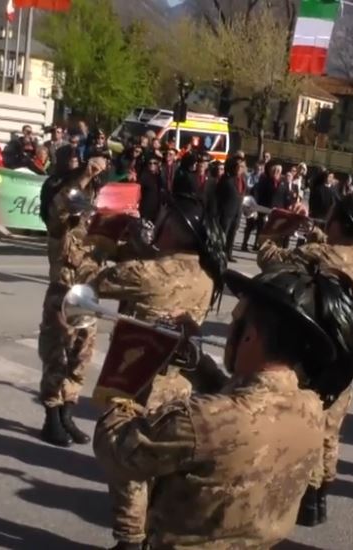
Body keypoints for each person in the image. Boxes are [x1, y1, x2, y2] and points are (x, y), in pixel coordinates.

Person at [91, 265, 353, 549]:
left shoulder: (199, 421)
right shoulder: (311, 407)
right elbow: (245, 411)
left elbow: (118, 450)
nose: (228, 331)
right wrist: (195, 362)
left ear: (250, 336)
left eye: (235, 322)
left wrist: (130, 369)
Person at [90, 191, 229, 550]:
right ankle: (150, 534)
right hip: (179, 386)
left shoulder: (146, 271)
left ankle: (129, 541)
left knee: (127, 467)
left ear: (176, 229)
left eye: (165, 216)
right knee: (162, 469)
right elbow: (168, 271)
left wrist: (105, 239)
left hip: (136, 383)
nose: (158, 220)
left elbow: (89, 280)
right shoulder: (204, 272)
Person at [251, 194, 353, 526]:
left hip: (314, 347)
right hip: (344, 351)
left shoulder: (321, 254)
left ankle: (301, 496)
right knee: (330, 427)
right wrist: (312, 233)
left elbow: (269, 259)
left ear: (342, 223)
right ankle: (318, 498)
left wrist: (275, 230)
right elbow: (328, 252)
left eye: (332, 216)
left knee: (305, 420)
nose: (327, 220)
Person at [36, 154, 110, 447]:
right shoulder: (60, 225)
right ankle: (51, 418)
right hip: (62, 298)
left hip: (88, 298)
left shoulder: (94, 229)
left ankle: (68, 413)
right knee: (57, 358)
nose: (87, 200)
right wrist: (84, 175)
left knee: (81, 359)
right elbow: (63, 203)